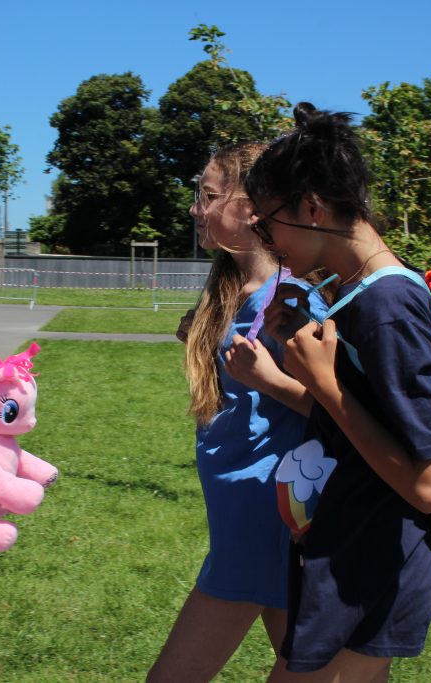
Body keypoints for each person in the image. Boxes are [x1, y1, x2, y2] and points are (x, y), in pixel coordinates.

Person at [243, 103, 431, 683]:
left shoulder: (388, 306)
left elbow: (427, 486)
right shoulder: (355, 293)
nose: (265, 240)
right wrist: (302, 351)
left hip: (376, 562)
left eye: (267, 224)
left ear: (312, 207)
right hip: (351, 548)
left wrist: (327, 384)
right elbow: (360, 422)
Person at [147, 142, 327, 682]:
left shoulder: (292, 302)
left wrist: (267, 380)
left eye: (207, 196)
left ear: (251, 209)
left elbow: (337, 411)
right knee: (305, 669)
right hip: (243, 516)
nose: (194, 208)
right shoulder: (232, 292)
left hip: (263, 517)